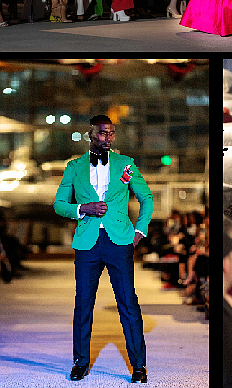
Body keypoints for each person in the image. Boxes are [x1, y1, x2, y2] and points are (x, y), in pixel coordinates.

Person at [53, 115, 153, 382]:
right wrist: (82, 209)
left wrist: (140, 230)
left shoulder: (126, 164)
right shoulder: (74, 167)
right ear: (90, 135)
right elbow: (59, 203)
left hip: (118, 240)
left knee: (128, 303)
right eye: (101, 133)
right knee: (83, 304)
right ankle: (80, 362)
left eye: (111, 133)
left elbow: (146, 196)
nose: (107, 138)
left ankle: (139, 366)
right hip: (87, 243)